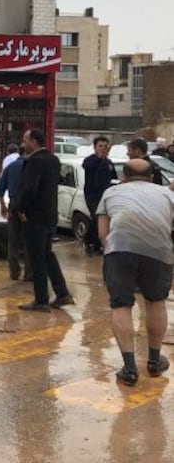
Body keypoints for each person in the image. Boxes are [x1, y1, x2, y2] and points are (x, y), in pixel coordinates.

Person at [96, 159, 174, 385]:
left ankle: (129, 368)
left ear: (125, 177)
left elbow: (103, 232)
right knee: (156, 301)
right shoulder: (167, 195)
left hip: (119, 249)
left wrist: (110, 249)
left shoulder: (111, 193)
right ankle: (153, 361)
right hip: (159, 252)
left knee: (121, 304)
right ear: (151, 177)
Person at [17, 128, 74, 312]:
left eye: (25, 141)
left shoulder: (34, 162)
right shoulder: (53, 160)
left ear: (34, 142)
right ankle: (62, 293)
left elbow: (29, 189)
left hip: (34, 216)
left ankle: (41, 299)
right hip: (50, 215)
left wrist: (19, 208)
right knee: (47, 254)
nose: (22, 144)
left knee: (37, 258)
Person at [0, 153, 31, 281]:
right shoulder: (31, 167)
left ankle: (14, 272)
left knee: (13, 242)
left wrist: (3, 207)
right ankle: (29, 273)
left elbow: (0, 190)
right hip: (28, 208)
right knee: (29, 241)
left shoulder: (10, 167)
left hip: (13, 206)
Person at [82, 136, 117, 256]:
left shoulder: (109, 163)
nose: (103, 148)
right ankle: (91, 242)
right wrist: (100, 158)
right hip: (92, 195)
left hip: (105, 194)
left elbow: (113, 177)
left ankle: (93, 242)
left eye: (105, 146)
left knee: (101, 219)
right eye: (100, 146)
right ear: (95, 147)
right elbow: (88, 167)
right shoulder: (89, 161)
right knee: (97, 217)